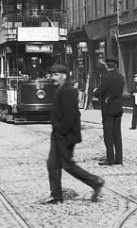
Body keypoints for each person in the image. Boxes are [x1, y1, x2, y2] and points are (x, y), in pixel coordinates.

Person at [44, 63, 104, 205]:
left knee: (68, 165)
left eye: (56, 74)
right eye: (52, 74)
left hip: (65, 135)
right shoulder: (59, 89)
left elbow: (71, 116)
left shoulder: (68, 91)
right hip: (59, 134)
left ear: (64, 76)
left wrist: (61, 131)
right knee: (53, 164)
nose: (53, 77)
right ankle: (56, 196)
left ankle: (95, 182)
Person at [92, 58, 125, 166]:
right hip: (118, 107)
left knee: (108, 135)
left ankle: (110, 159)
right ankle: (119, 159)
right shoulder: (121, 77)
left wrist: (96, 91)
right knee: (117, 134)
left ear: (107, 67)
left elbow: (98, 93)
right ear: (115, 66)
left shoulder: (107, 78)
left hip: (108, 108)